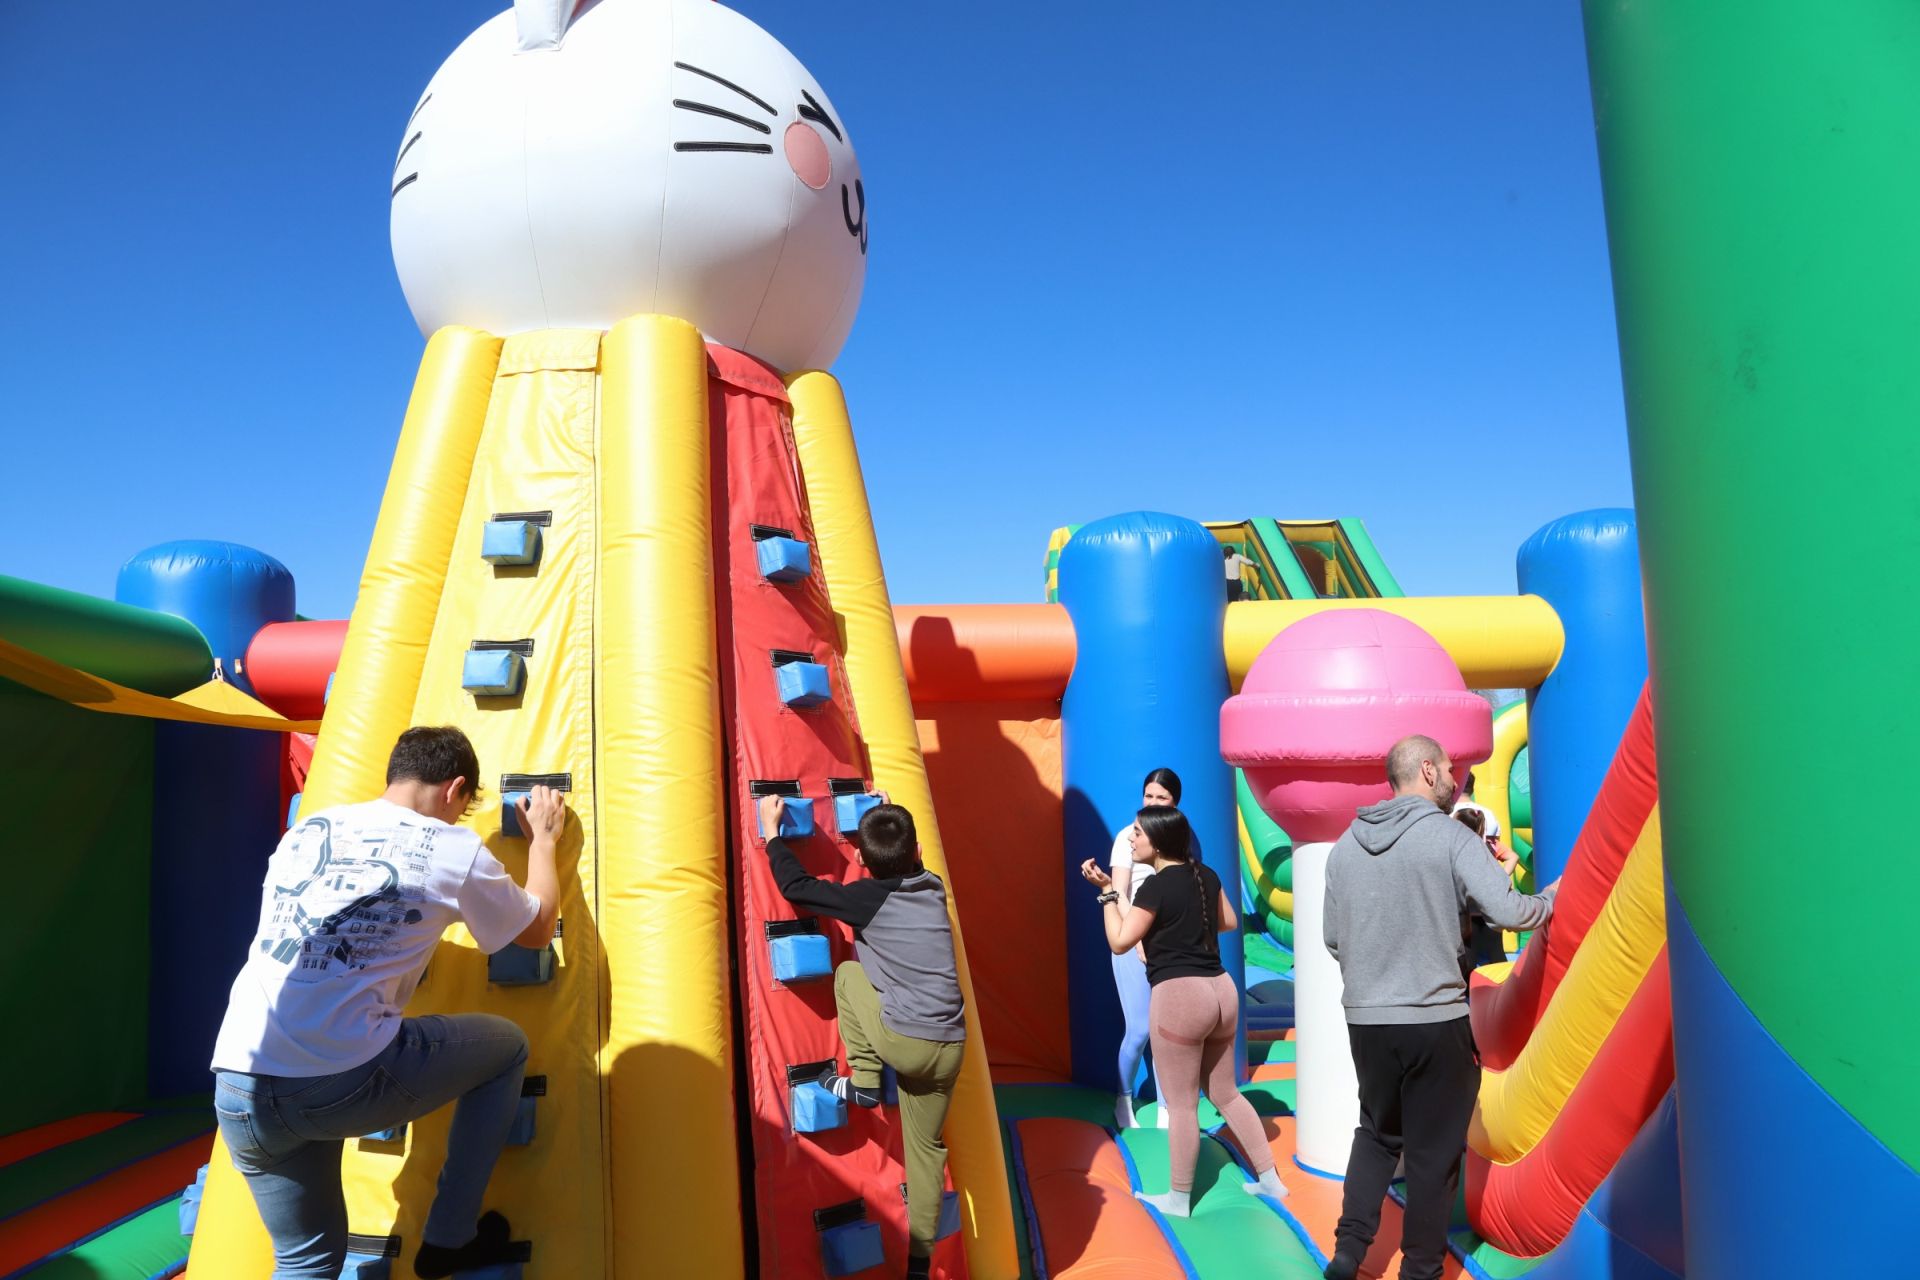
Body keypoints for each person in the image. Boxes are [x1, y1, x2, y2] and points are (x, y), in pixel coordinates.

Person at [209, 725, 566, 1280]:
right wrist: (543, 841)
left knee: (307, 1262)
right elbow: (539, 929)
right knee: (506, 1051)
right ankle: (450, 1238)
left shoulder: (310, 830)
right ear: (455, 790)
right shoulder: (450, 846)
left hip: (237, 1082)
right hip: (338, 1078)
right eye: (463, 808)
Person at [1319, 735, 1556, 1280]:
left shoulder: (1346, 846)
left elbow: (1334, 939)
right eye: (1451, 769)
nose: (1456, 779)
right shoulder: (1449, 837)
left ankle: (1348, 1252)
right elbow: (1508, 912)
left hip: (1367, 1020)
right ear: (1426, 772)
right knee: (1432, 1154)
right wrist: (1551, 900)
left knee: (1377, 1135)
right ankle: (1420, 1270)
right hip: (1434, 1018)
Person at [760, 795, 965, 1280]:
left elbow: (798, 886)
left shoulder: (866, 899)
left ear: (858, 860)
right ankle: (919, 1265)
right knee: (926, 1153)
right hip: (950, 1046)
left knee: (850, 974)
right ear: (917, 850)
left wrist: (772, 833)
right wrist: (889, 816)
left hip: (904, 1042)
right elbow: (902, 853)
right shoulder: (933, 886)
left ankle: (866, 1080)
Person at [1079, 806, 1289, 1216]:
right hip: (1222, 992)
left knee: (1181, 1106)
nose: (1131, 839)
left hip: (1180, 998)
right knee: (1226, 1093)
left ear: (1156, 843)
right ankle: (1270, 1179)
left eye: (1137, 833)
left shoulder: (1154, 888)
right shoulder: (1204, 875)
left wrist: (1106, 895)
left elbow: (1120, 941)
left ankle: (1178, 1198)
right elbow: (1228, 921)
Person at [1106, 767, 1185, 1130]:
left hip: (1167, 943)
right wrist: (1137, 939)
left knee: (1168, 1030)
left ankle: (1167, 1104)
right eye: (1149, 796)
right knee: (1139, 1029)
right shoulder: (1127, 837)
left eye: (1161, 798)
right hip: (1132, 940)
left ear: (1174, 803)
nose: (1153, 803)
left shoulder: (1178, 838)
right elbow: (1117, 892)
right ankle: (1123, 1100)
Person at [1449, 768, 1502, 841]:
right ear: (1472, 790)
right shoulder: (1489, 814)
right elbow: (1496, 846)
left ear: (1454, 786)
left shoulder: (1447, 813)